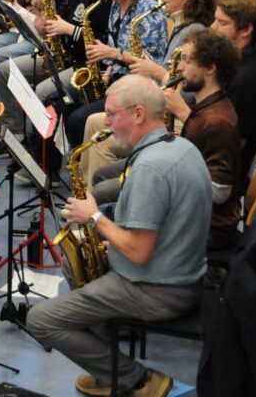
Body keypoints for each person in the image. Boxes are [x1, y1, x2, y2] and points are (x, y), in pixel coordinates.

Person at [26, 75, 212, 397]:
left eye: (112, 114)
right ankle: (107, 365)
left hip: (159, 290)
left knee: (40, 320)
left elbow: (138, 252)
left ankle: (138, 379)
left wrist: (94, 216)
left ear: (138, 114)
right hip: (181, 271)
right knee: (74, 266)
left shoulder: (150, 168)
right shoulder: (179, 146)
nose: (106, 122)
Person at [79, 0, 215, 176]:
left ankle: (105, 191)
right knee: (93, 121)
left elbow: (188, 91)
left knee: (98, 134)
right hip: (164, 108)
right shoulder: (182, 26)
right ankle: (87, 189)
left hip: (173, 120)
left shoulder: (195, 33)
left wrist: (153, 71)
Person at [0, 0, 109, 137]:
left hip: (83, 63)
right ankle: (14, 132)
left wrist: (68, 29)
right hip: (60, 54)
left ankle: (40, 147)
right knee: (5, 70)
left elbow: (102, 39)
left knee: (43, 91)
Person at [64, 0, 168, 148]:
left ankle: (87, 157)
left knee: (77, 119)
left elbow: (151, 62)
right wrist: (108, 73)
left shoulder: (149, 10)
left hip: (139, 88)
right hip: (116, 78)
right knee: (65, 100)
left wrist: (112, 54)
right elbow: (116, 43)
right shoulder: (115, 5)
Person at [161, 30, 243, 250]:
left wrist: (164, 178)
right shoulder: (205, 107)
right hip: (194, 213)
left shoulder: (217, 122)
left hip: (207, 227)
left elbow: (219, 191)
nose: (179, 68)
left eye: (187, 61)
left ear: (210, 68)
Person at [211, 0, 256, 176]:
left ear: (246, 30)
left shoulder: (248, 81)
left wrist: (181, 111)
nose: (212, 27)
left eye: (222, 23)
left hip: (220, 175)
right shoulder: (239, 61)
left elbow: (227, 148)